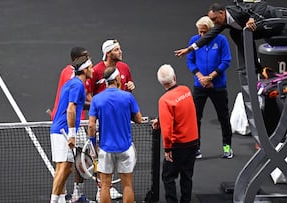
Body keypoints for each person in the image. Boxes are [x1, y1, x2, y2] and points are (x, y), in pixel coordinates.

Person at [85, 39, 135, 201]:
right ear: (108, 53)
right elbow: (88, 94)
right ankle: (102, 187)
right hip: (102, 120)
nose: (121, 51)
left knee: (106, 156)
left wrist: (131, 87)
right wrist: (100, 108)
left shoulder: (125, 67)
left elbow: (127, 91)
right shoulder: (97, 70)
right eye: (117, 49)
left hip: (119, 119)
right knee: (101, 156)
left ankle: (104, 187)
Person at [174, 1, 283, 73]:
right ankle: (253, 66)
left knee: (244, 32)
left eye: (214, 19)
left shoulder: (238, 12)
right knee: (236, 33)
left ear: (222, 13)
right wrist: (189, 49)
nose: (213, 22)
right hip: (257, 27)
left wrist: (252, 19)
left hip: (274, 22)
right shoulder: (223, 21)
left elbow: (262, 4)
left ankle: (253, 66)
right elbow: (209, 36)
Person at [88, 66, 142, 203]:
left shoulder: (97, 99)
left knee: (105, 185)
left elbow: (91, 126)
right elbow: (139, 119)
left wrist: (93, 145)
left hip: (106, 149)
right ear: (117, 79)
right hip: (125, 147)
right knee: (127, 185)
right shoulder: (128, 97)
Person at [48, 47, 91, 202]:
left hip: (59, 128)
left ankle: (59, 199)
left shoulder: (74, 83)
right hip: (64, 130)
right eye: (90, 67)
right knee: (64, 168)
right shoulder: (77, 85)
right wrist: (72, 134)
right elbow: (71, 109)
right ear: (84, 69)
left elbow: (77, 105)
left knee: (63, 168)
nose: (92, 69)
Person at [186, 16, 233, 159]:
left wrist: (211, 77)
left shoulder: (221, 40)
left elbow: (226, 61)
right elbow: (190, 61)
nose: (201, 35)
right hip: (200, 85)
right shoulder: (194, 41)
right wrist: (201, 77)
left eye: (205, 32)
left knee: (223, 117)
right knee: (195, 117)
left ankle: (227, 147)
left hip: (217, 85)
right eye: (200, 32)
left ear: (211, 30)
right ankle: (196, 148)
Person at [152, 64, 199, 203]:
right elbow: (181, 111)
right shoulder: (186, 90)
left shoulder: (164, 100)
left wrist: (168, 149)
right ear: (174, 77)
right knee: (187, 175)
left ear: (161, 83)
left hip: (178, 145)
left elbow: (167, 129)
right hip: (193, 141)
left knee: (168, 176)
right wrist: (161, 118)